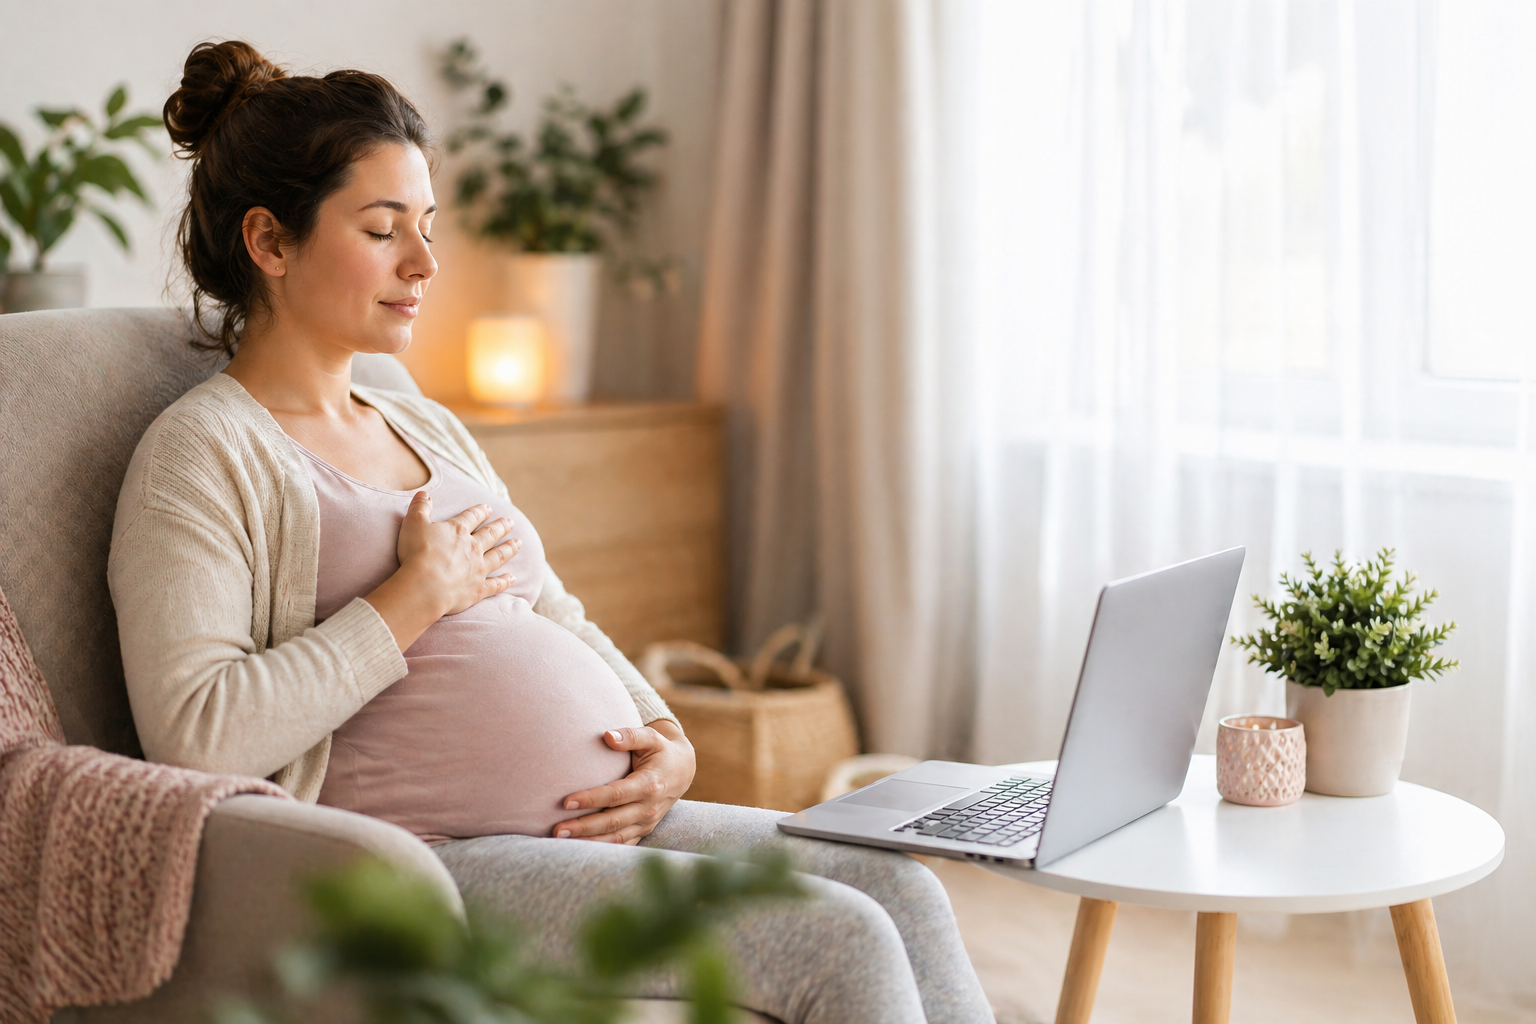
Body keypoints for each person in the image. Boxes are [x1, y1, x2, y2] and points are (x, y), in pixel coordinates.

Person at [108, 40, 994, 1024]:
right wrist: (410, 600)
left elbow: (554, 612)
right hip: (434, 859)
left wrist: (665, 734)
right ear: (270, 242)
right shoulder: (203, 453)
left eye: (429, 227)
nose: (426, 263)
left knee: (902, 889)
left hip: (592, 823)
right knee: (836, 932)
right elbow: (194, 737)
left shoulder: (418, 417)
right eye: (383, 228)